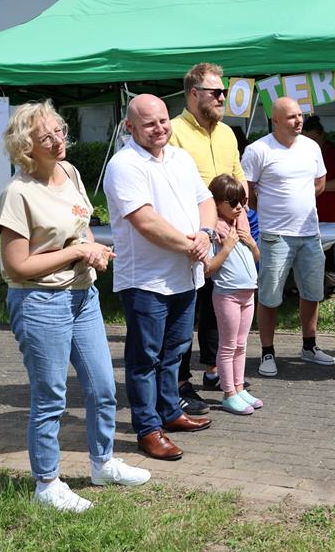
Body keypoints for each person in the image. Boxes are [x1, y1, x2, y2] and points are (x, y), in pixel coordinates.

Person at [0, 100, 150, 513]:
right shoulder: (17, 193)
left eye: (59, 131)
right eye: (45, 137)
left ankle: (102, 464)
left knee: (102, 387)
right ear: (24, 145)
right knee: (50, 396)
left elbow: (80, 230)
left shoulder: (71, 172)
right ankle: (46, 484)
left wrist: (93, 251)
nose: (57, 141)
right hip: (39, 300)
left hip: (84, 295)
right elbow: (17, 265)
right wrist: (78, 252)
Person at [104, 94, 216, 462]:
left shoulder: (181, 158)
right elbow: (145, 221)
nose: (159, 128)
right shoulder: (124, 165)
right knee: (144, 358)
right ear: (129, 127)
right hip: (147, 280)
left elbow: (207, 201)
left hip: (185, 276)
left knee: (175, 352)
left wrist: (204, 232)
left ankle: (170, 412)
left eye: (163, 120)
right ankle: (147, 428)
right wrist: (192, 246)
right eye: (149, 123)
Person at [169, 62, 249, 416]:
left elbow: (239, 176)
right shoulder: (173, 132)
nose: (222, 98)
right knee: (190, 309)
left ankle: (218, 371)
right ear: (193, 94)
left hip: (229, 232)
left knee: (221, 306)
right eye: (216, 92)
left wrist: (240, 211)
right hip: (196, 235)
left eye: (224, 92)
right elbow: (173, 188)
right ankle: (181, 382)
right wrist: (211, 220)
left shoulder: (228, 133)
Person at [241, 96, 335, 377]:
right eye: (292, 116)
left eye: (300, 115)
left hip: (309, 233)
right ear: (276, 120)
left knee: (313, 292)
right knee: (269, 297)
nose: (299, 120)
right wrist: (272, 209)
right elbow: (248, 192)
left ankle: (309, 345)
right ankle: (267, 352)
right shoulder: (258, 150)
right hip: (275, 235)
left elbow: (320, 182)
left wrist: (299, 199)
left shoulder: (311, 147)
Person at [203, 174, 263, 415]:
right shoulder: (216, 232)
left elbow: (257, 259)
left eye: (242, 201)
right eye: (233, 202)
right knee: (227, 346)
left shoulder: (243, 226)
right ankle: (228, 393)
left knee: (242, 344)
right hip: (227, 294)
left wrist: (252, 244)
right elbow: (207, 269)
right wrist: (227, 247)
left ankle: (239, 387)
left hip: (248, 293)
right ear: (217, 203)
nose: (240, 207)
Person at [302, 115, 335, 223]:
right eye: (306, 140)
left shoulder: (334, 153)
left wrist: (315, 188)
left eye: (313, 139)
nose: (310, 144)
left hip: (330, 211)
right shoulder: (301, 153)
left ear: (322, 135)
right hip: (308, 212)